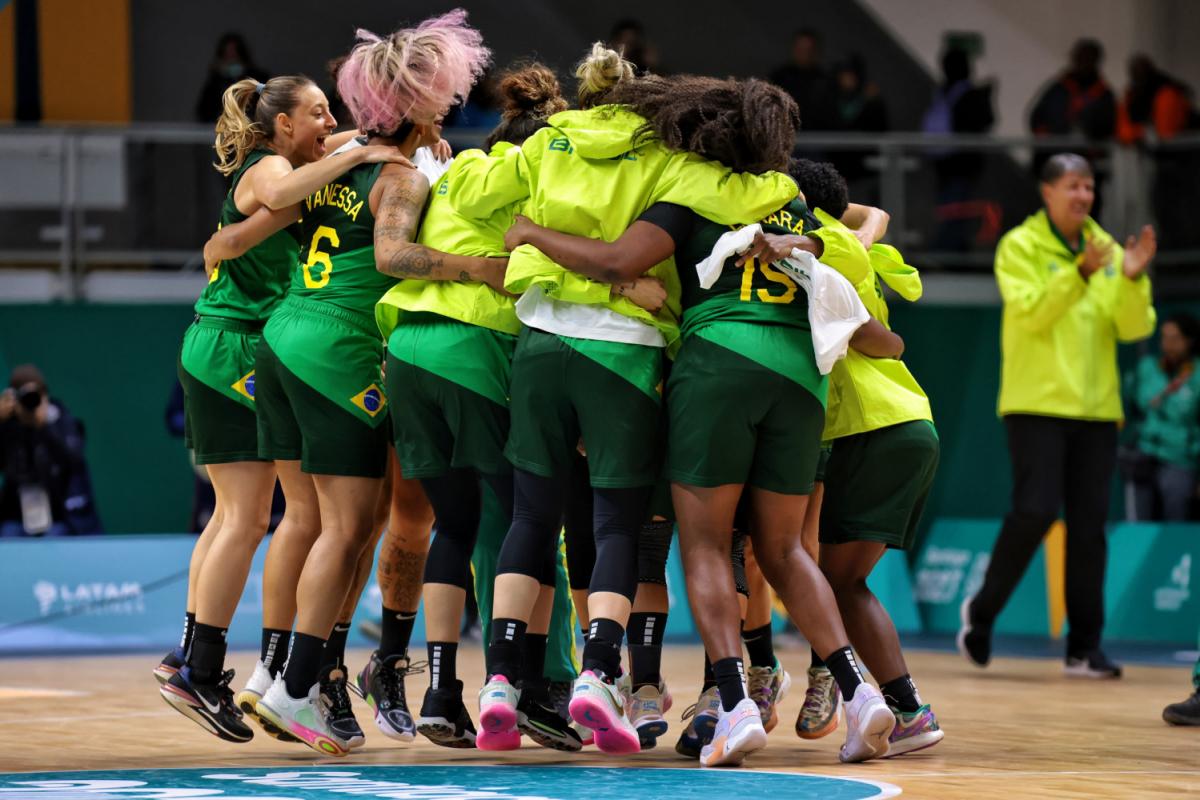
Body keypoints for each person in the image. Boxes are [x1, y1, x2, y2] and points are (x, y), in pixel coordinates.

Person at [501, 77, 905, 766]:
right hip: (799, 375)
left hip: (719, 365)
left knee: (706, 545)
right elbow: (860, 233)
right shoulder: (791, 199)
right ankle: (859, 694)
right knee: (784, 551)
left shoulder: (688, 191)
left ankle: (734, 704)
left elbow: (619, 260)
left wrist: (532, 233)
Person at [449, 45, 801, 756]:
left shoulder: (548, 141)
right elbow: (762, 191)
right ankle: (600, 672)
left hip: (543, 341)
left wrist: (520, 213)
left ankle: (499, 683)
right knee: (615, 527)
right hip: (624, 352)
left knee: (530, 516)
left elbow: (468, 196)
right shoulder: (667, 158)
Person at [209, 12, 497, 757]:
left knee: (310, 522)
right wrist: (484, 269)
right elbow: (397, 257)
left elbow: (342, 152)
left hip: (278, 342)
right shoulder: (395, 176)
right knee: (346, 527)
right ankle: (298, 686)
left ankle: (280, 676)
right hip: (338, 352)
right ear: (417, 105)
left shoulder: (342, 161)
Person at [157, 73, 411, 745]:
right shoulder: (270, 167)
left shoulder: (302, 163)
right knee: (254, 518)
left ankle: (200, 660)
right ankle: (211, 666)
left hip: (236, 340)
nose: (331, 123)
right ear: (282, 128)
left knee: (248, 517)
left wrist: (366, 137)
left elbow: (245, 232)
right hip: (240, 342)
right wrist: (357, 156)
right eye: (318, 114)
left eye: (335, 112)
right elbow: (264, 209)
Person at [768, 159, 945, 758]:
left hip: (869, 427)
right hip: (909, 419)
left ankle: (890, 704)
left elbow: (874, 337)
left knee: (835, 581)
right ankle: (898, 706)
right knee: (844, 578)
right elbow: (873, 217)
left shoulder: (813, 256)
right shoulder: (846, 245)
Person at [959, 153, 1157, 679]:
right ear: (1047, 192)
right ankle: (981, 614)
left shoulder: (1110, 250)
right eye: (1073, 186)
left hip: (1096, 410)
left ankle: (1084, 647)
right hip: (1036, 404)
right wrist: (1078, 273)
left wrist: (1133, 280)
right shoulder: (1019, 246)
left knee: (1089, 528)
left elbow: (1134, 329)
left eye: (1089, 187)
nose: (1083, 196)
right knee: (1035, 512)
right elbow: (1030, 311)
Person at [0, 365, 101, 537]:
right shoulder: (8, 424)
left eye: (35, 395)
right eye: (24, 397)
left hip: (61, 515)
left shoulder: (59, 418)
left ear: (45, 395)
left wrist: (45, 426)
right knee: (8, 537)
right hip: (15, 514)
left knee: (55, 540)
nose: (30, 402)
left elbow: (74, 459)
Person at [1124, 313, 1200, 522]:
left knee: (1177, 520)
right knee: (1138, 525)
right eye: (1164, 338)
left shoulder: (1197, 375)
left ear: (1190, 341)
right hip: (1144, 456)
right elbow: (1135, 408)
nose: (1168, 345)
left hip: (1180, 459)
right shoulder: (1147, 368)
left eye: (1175, 339)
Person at [1030, 39, 1116, 141]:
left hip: (1089, 153)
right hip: (1053, 151)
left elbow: (1108, 126)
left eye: (1088, 59)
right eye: (1080, 58)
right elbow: (1036, 118)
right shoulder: (1058, 88)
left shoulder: (1104, 94)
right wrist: (1046, 139)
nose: (1084, 63)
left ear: (1096, 61)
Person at [769, 28, 834, 130]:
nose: (803, 53)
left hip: (818, 138)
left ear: (815, 52)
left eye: (807, 49)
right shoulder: (780, 77)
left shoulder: (824, 81)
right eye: (800, 48)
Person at [195, 33, 267, 123]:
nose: (231, 58)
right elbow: (204, 111)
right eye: (227, 54)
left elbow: (267, 108)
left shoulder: (258, 78)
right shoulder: (215, 81)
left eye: (234, 54)